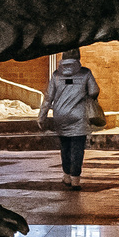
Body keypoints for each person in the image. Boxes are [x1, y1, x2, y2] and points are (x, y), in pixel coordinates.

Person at [37, 51, 103, 187]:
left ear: (63, 58)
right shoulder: (85, 73)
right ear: (78, 57)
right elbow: (94, 91)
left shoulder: (56, 75)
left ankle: (66, 176)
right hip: (79, 116)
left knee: (65, 146)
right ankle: (75, 179)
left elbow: (49, 97)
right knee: (77, 147)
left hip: (60, 116)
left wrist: (41, 116)